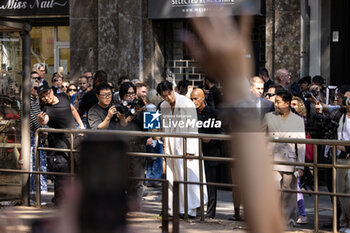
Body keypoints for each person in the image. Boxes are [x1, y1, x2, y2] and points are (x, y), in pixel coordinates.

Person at [157, 80, 207, 218]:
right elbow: (164, 126)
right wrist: (164, 143)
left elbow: (193, 128)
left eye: (169, 94)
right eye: (164, 96)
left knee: (188, 176)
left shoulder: (187, 103)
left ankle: (190, 210)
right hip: (171, 145)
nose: (168, 98)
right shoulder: (163, 105)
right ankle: (174, 208)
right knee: (172, 177)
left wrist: (190, 149)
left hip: (186, 145)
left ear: (173, 90)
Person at [263, 90, 305, 227]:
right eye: (275, 101)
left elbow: (301, 144)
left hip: (290, 160)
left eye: (278, 102)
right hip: (271, 160)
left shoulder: (298, 120)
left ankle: (288, 221)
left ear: (287, 103)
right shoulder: (268, 117)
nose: (275, 104)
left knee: (288, 194)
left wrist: (300, 165)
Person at [37, 82, 84, 204]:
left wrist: (81, 125)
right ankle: (60, 202)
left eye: (46, 94)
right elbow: (44, 120)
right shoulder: (47, 109)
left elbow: (72, 109)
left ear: (51, 91)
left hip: (75, 140)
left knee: (79, 170)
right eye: (42, 96)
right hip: (59, 145)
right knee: (62, 174)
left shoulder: (63, 97)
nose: (46, 98)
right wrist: (41, 120)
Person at [191, 88, 221, 219]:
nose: (193, 101)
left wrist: (211, 139)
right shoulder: (191, 113)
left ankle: (210, 214)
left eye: (195, 99)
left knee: (211, 185)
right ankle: (196, 210)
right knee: (195, 182)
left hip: (211, 152)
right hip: (194, 152)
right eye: (191, 99)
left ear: (203, 98)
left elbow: (222, 132)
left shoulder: (214, 113)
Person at [336, 90, 350, 233]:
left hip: (347, 156)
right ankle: (343, 223)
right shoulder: (340, 115)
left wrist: (346, 149)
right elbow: (326, 109)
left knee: (349, 192)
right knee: (341, 193)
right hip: (340, 158)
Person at [29, 79, 47, 196]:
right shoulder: (29, 103)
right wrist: (44, 130)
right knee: (34, 163)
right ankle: (35, 189)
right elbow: (33, 121)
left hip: (37, 135)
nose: (37, 90)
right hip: (33, 136)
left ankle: (39, 188)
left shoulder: (34, 102)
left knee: (39, 162)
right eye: (35, 88)